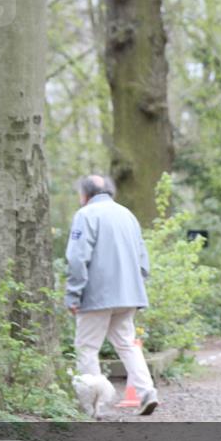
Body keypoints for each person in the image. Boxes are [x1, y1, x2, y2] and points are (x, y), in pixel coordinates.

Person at [65, 175, 158, 416]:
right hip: (129, 294)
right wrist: (135, 284)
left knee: (87, 348)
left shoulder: (85, 215)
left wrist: (73, 295)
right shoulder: (127, 215)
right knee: (127, 344)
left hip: (96, 295)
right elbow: (143, 259)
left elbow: (77, 259)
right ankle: (147, 391)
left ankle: (93, 406)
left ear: (85, 195)